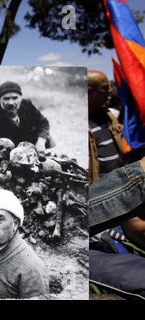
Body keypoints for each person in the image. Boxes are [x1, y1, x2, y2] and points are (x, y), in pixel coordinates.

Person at [88, 69, 145, 299]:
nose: (111, 90)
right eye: (106, 88)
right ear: (90, 91)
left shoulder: (109, 116)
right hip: (107, 196)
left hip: (121, 193)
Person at [0, 81, 53, 151]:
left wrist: (41, 141)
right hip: (10, 149)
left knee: (48, 139)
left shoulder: (27, 105)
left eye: (15, 98)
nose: (11, 103)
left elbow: (43, 122)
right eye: (6, 99)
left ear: (20, 97)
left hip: (30, 141)